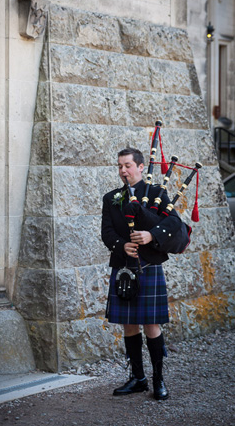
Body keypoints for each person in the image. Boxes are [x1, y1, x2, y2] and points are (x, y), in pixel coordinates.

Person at [101, 147, 183, 401]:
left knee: (151, 324)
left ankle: (158, 380)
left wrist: (151, 235)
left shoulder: (158, 193)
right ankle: (138, 378)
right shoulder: (112, 197)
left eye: (127, 165)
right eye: (119, 166)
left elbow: (174, 223)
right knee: (128, 324)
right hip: (124, 267)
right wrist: (121, 244)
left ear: (139, 166)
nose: (123, 171)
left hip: (148, 267)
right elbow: (106, 232)